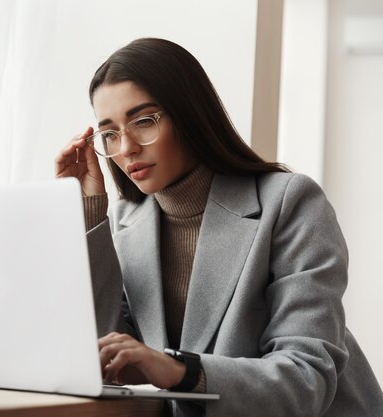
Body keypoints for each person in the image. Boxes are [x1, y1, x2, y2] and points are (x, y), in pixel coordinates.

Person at [54, 38, 383, 417]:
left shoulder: (291, 203)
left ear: (190, 115)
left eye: (143, 121)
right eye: (109, 133)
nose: (126, 147)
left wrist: (179, 369)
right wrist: (89, 214)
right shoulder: (129, 222)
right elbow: (109, 359)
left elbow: (306, 378)